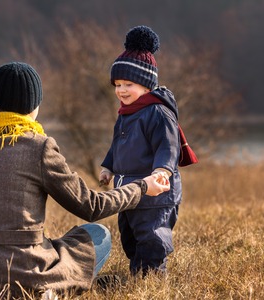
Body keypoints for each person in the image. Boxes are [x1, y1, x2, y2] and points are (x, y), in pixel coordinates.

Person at [0, 61, 170, 298]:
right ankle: (54, 290)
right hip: (25, 279)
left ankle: (66, 284)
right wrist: (142, 187)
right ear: (33, 106)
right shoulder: (38, 147)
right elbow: (91, 207)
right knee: (98, 235)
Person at [99, 25, 193, 277]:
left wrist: (162, 170)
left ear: (146, 85)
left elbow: (168, 146)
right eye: (117, 84)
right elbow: (117, 144)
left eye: (129, 83)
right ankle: (138, 274)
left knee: (151, 237)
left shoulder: (158, 112)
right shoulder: (125, 114)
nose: (121, 90)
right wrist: (108, 166)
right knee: (130, 237)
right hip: (128, 191)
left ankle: (151, 279)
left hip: (156, 194)